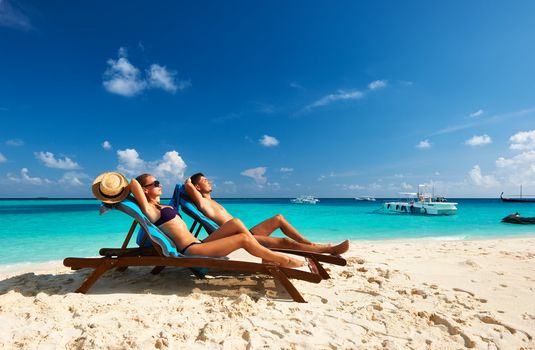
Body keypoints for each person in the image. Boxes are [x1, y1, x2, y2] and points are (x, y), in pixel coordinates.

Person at [130, 173, 304, 268]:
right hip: (191, 249)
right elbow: (133, 182)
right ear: (145, 190)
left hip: (200, 242)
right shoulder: (150, 210)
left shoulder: (163, 206)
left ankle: (264, 255)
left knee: (235, 222)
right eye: (155, 183)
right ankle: (277, 258)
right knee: (242, 238)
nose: (160, 185)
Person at [184, 173, 349, 255]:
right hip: (237, 236)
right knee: (283, 241)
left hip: (245, 231)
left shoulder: (213, 201)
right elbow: (187, 186)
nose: (209, 181)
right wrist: (189, 182)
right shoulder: (202, 202)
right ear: (197, 187)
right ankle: (328, 250)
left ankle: (308, 243)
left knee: (278, 218)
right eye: (205, 181)